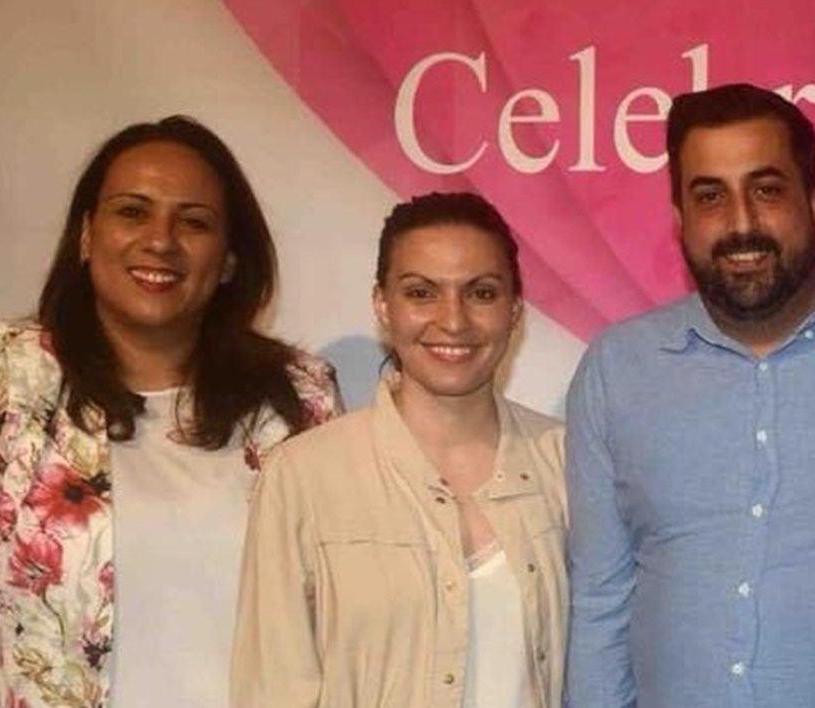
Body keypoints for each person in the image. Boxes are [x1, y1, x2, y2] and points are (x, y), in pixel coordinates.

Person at [0, 116, 342, 707]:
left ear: (229, 259)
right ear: (86, 235)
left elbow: (343, 615)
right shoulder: (6, 375)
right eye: (133, 211)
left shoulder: (298, 399)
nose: (160, 239)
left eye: (195, 222)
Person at [566, 82, 815, 708]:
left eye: (767, 189)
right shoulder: (616, 371)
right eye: (710, 197)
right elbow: (599, 603)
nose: (741, 224)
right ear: (678, 219)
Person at [231, 192, 568, 708]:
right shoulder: (303, 476)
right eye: (421, 293)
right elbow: (272, 689)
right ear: (382, 306)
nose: (452, 321)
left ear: (515, 310)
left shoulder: (567, 463)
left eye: (481, 293)